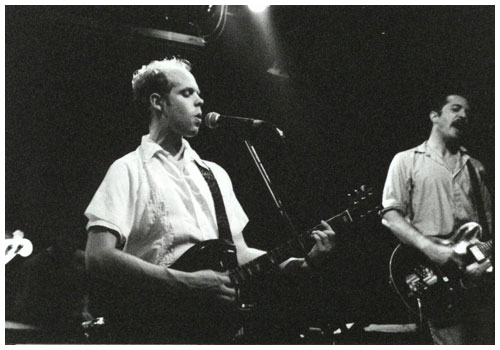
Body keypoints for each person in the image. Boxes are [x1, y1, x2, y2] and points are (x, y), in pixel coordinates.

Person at [84, 57, 336, 344]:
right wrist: (189, 283)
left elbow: (239, 252)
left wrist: (299, 263)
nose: (200, 102)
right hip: (153, 330)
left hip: (211, 330)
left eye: (200, 94)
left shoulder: (214, 174)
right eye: (187, 93)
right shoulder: (128, 170)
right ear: (158, 102)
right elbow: (98, 256)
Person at [380, 93, 494, 344]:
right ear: (434, 116)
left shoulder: (476, 167)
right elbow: (390, 215)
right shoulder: (406, 160)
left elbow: (488, 231)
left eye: (467, 112)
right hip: (434, 281)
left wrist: (485, 261)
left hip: (480, 288)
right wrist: (431, 249)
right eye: (455, 109)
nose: (463, 116)